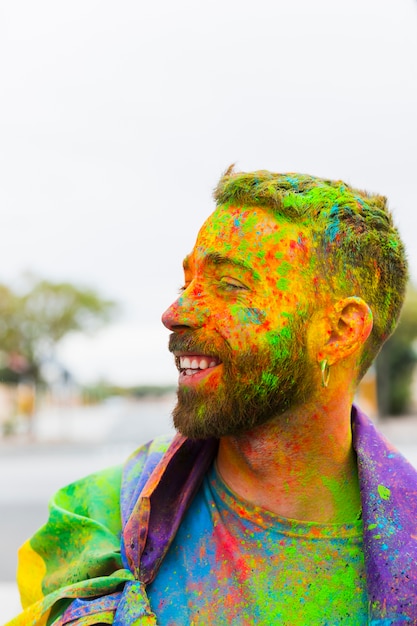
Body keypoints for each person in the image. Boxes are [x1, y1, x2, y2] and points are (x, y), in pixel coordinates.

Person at [7, 167, 416, 625]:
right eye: (188, 283)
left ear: (340, 330)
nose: (175, 312)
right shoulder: (96, 523)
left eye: (230, 285)